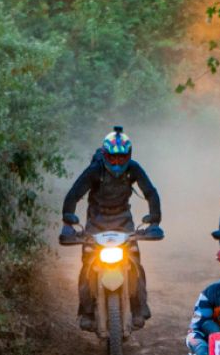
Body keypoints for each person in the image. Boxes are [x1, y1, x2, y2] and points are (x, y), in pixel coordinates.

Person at [62, 126, 161, 331]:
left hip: (123, 221)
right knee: (88, 263)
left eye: (122, 158)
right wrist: (68, 222)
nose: (117, 162)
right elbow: (73, 194)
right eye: (113, 157)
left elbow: (150, 192)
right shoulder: (94, 170)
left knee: (135, 261)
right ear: (105, 155)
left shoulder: (133, 168)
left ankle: (138, 307)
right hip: (95, 222)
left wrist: (155, 221)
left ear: (129, 156)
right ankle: (87, 311)